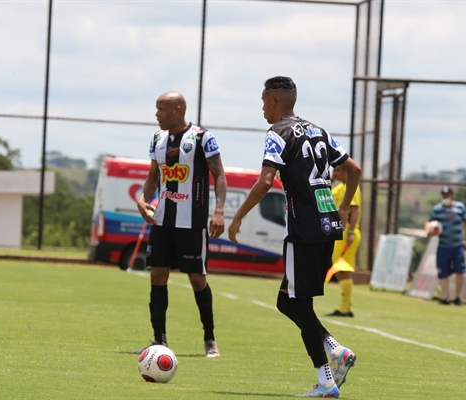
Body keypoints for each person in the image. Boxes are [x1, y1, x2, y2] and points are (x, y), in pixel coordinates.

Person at [228, 76, 361, 398]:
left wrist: (238, 216)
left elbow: (265, 181)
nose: (262, 109)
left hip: (304, 229)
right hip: (328, 225)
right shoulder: (320, 130)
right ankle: (334, 351)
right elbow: (354, 170)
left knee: (296, 304)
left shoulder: (277, 133)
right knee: (287, 302)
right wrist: (343, 208)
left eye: (263, 102)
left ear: (273, 101)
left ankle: (327, 381)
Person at [135, 91, 227, 357]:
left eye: (161, 109)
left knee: (197, 279)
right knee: (157, 276)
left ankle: (210, 339)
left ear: (177, 110)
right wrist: (143, 199)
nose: (156, 114)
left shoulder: (202, 137)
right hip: (162, 220)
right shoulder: (158, 139)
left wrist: (219, 211)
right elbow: (153, 177)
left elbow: (219, 175)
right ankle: (159, 341)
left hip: (192, 222)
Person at [425, 185, 466, 306]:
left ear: (452, 196)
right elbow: (429, 223)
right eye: (443, 196)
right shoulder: (437, 209)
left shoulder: (460, 207)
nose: (445, 198)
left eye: (447, 195)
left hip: (458, 245)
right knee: (443, 273)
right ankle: (445, 297)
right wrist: (429, 231)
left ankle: (457, 297)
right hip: (443, 245)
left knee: (459, 271)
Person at [326, 164, 361, 318]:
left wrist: (351, 232)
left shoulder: (351, 187)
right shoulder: (340, 188)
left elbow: (354, 210)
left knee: (342, 269)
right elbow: (326, 194)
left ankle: (344, 309)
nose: (335, 172)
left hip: (347, 234)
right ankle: (346, 306)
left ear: (346, 172)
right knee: (339, 269)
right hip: (340, 234)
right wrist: (332, 180)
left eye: (337, 170)